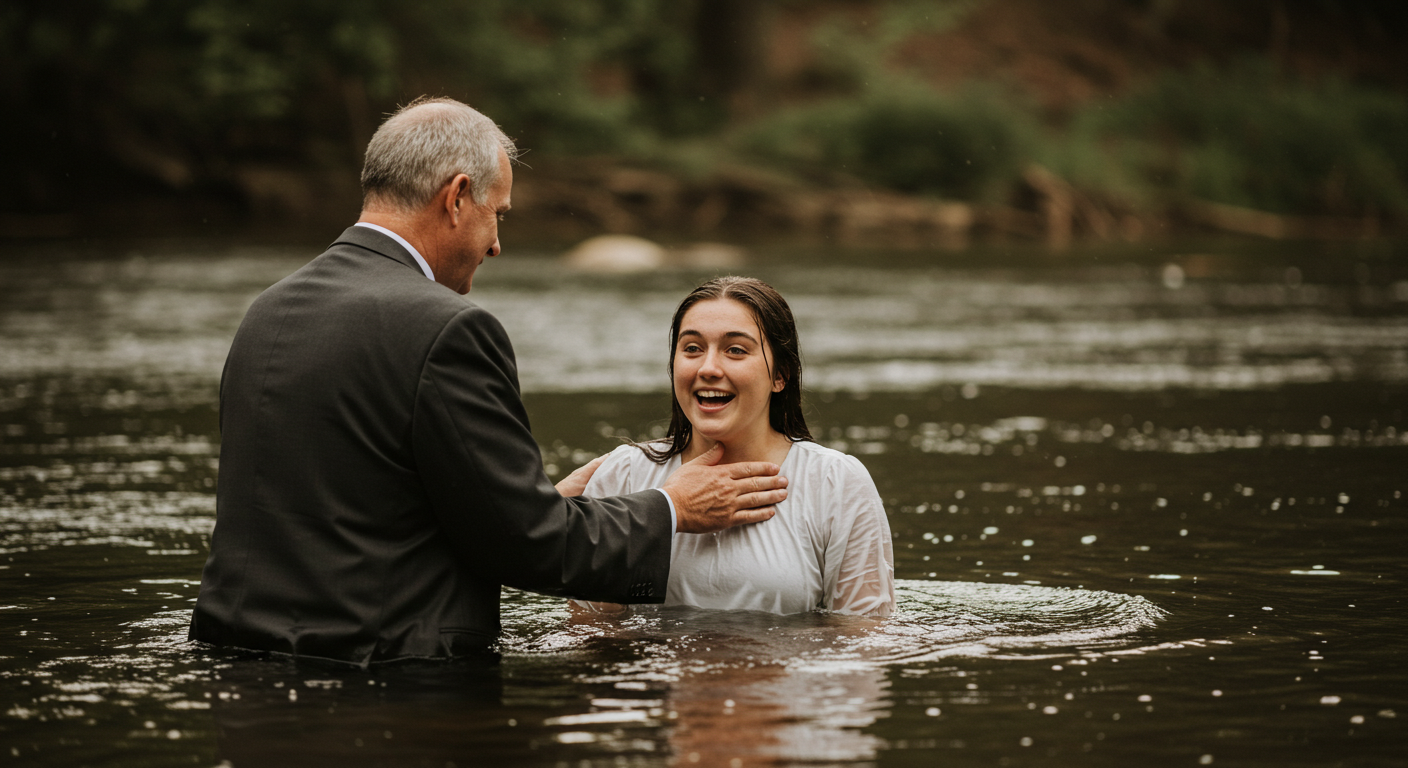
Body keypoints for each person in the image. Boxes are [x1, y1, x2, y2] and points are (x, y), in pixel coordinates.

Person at [188, 97, 789, 665]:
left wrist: (534, 502)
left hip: (238, 660)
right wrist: (669, 507)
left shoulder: (268, 310)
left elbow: (349, 504)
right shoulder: (448, 327)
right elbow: (528, 547)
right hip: (387, 678)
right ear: (457, 197)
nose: (497, 244)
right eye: (496, 214)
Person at [581, 277, 895, 617]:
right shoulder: (623, 475)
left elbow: (863, 642)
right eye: (692, 348)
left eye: (736, 350)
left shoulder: (836, 483)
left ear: (780, 375)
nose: (708, 368)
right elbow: (591, 633)